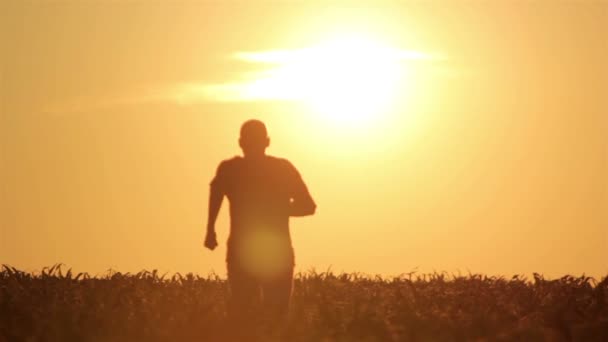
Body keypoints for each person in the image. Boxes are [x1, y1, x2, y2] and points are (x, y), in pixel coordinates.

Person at [204, 119, 316, 327]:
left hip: (253, 252)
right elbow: (308, 206)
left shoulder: (232, 169)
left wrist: (210, 231)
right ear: (267, 141)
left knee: (245, 315)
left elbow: (309, 206)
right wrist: (210, 230)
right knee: (267, 316)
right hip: (266, 252)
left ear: (240, 142)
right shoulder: (280, 169)